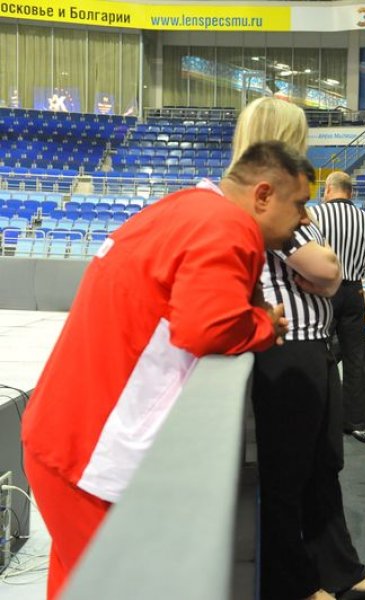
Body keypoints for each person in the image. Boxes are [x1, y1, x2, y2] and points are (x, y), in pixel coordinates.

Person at [20, 140, 305, 600]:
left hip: (64, 432)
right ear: (264, 195)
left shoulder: (186, 205)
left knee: (77, 582)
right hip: (90, 450)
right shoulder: (229, 225)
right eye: (300, 203)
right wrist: (264, 324)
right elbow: (207, 328)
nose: (306, 218)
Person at [232, 98, 365, 600]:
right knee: (288, 474)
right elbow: (329, 271)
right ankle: (295, 582)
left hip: (312, 342)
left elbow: (327, 273)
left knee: (322, 465)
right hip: (283, 346)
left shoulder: (290, 198)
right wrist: (324, 273)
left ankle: (339, 567)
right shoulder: (264, 196)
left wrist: (324, 273)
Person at [311, 171, 365, 432]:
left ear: (327, 190)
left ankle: (321, 415)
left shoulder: (316, 214)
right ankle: (355, 420)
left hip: (322, 291)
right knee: (356, 356)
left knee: (320, 351)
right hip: (353, 290)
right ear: (351, 192)